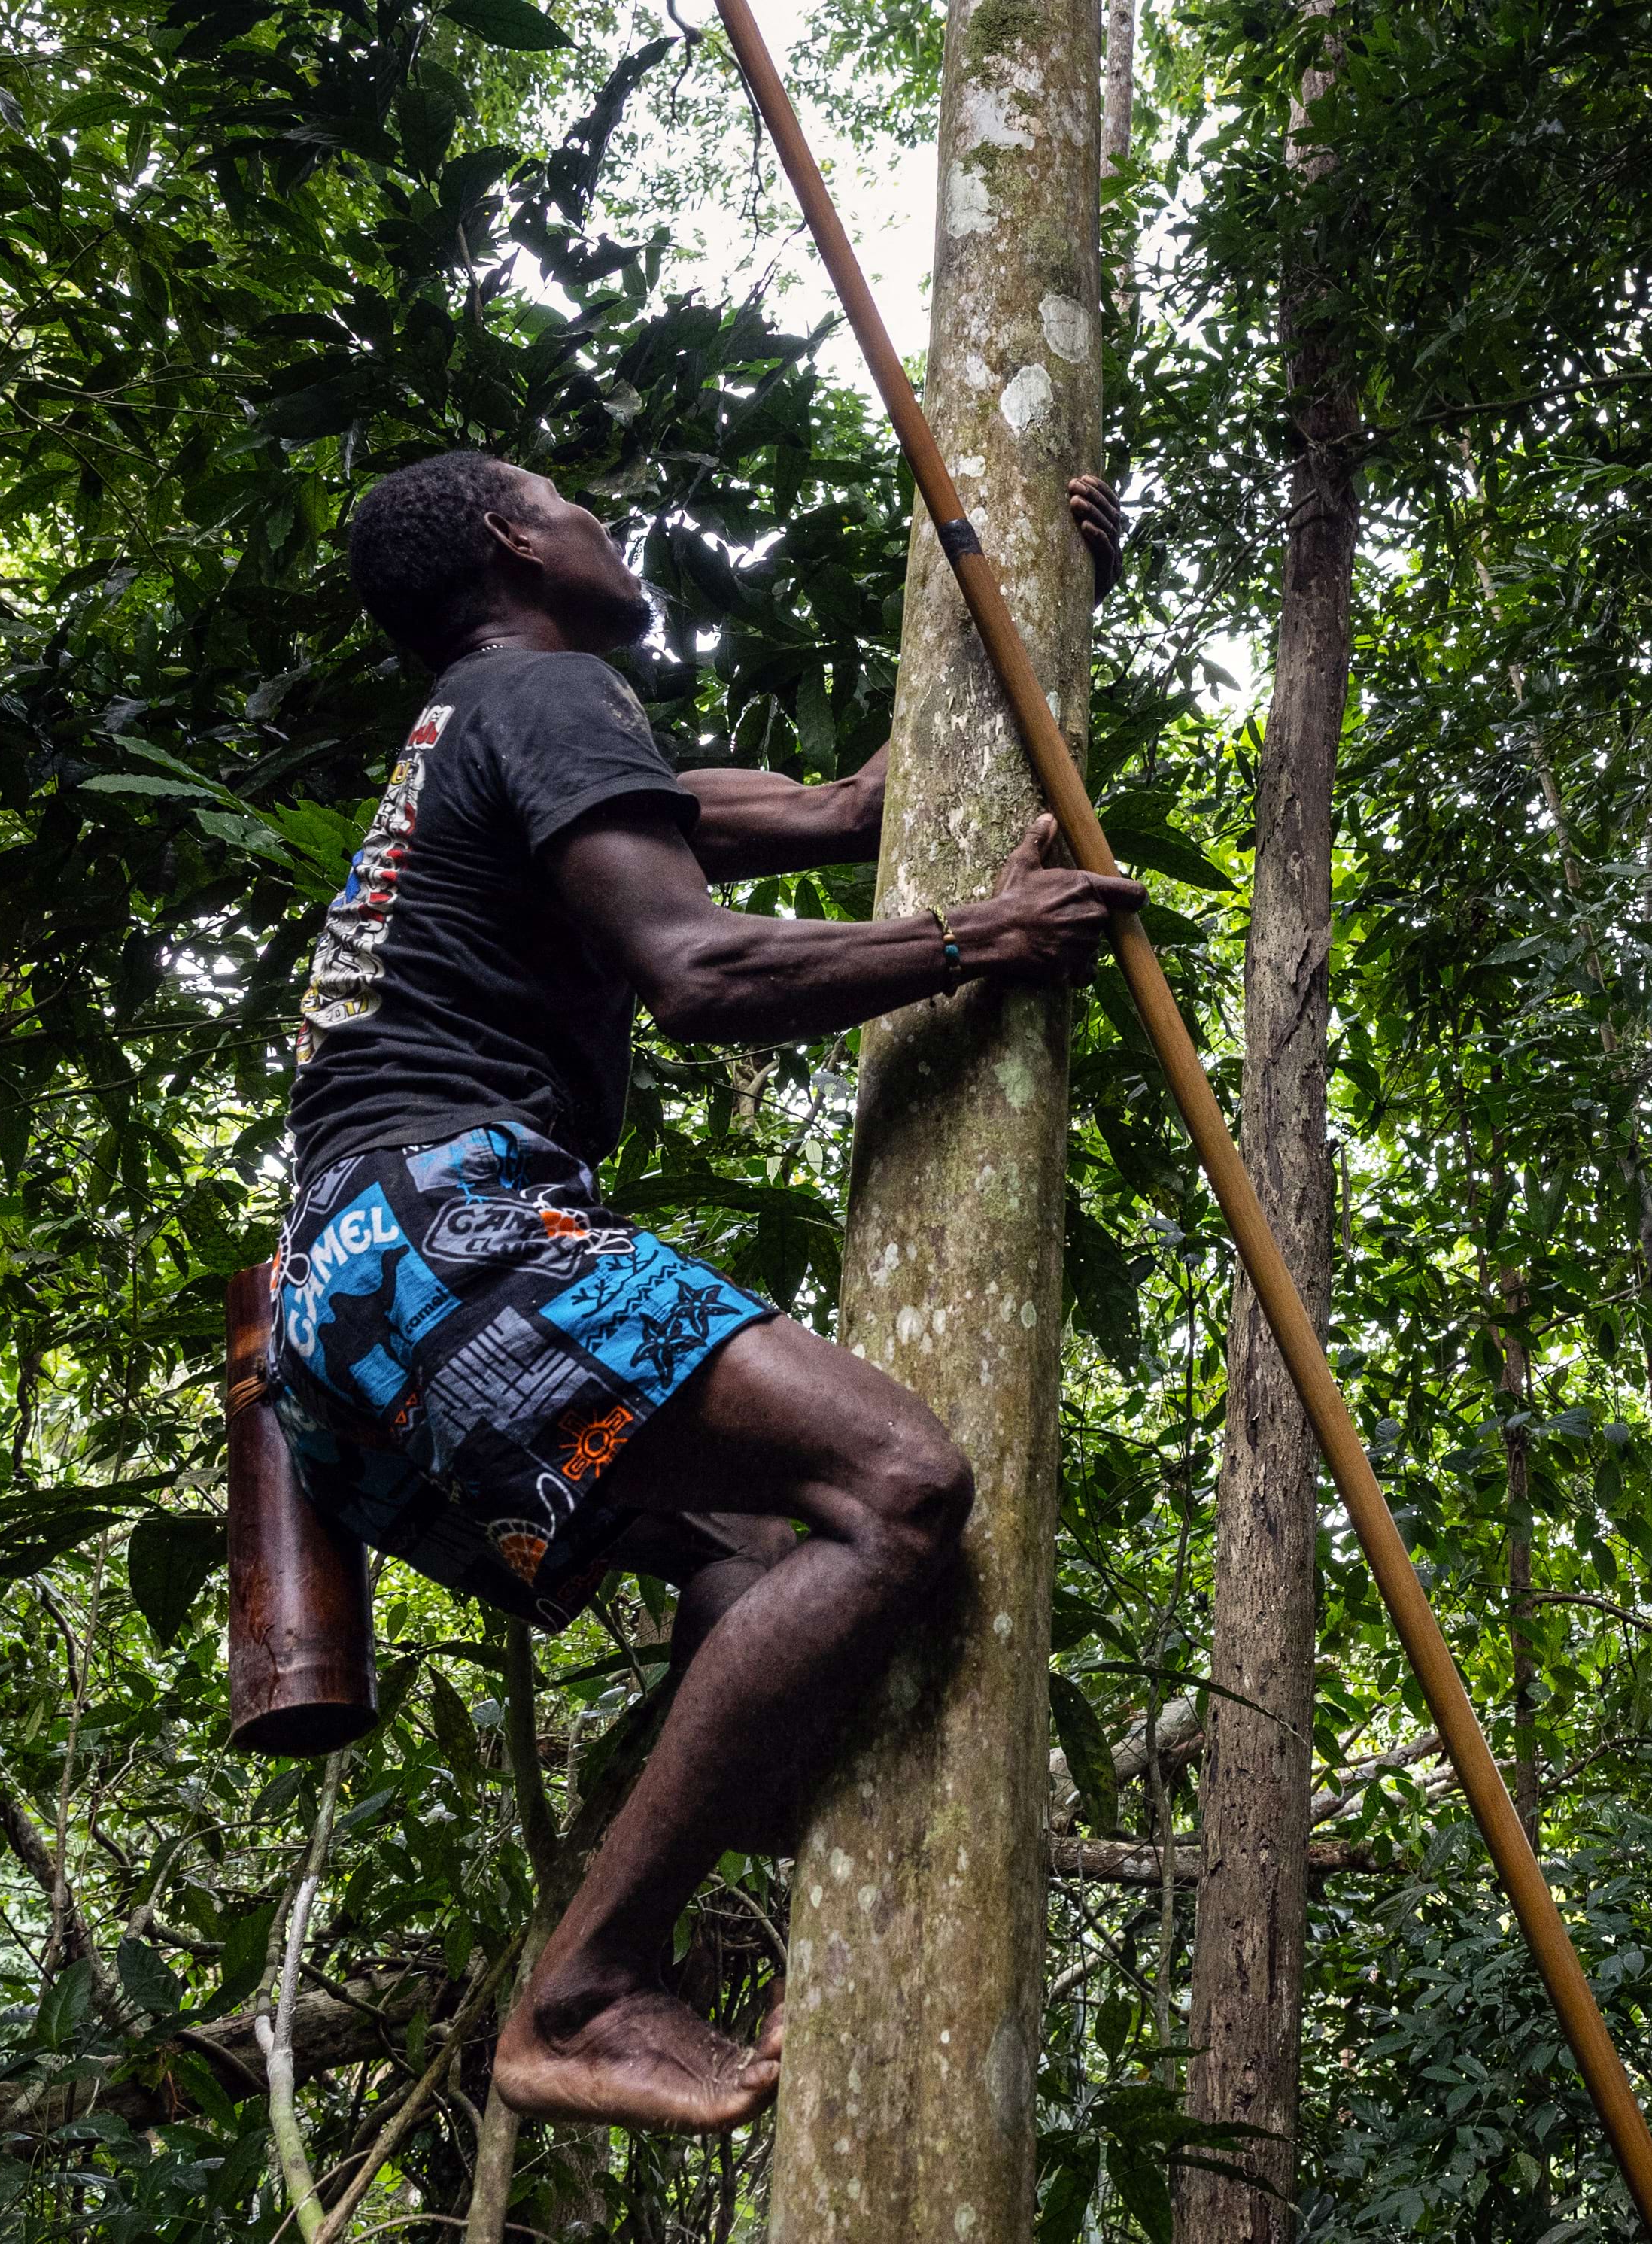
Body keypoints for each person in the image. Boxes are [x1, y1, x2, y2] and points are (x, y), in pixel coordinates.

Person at [270, 448, 1140, 2132]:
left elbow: (857, 809)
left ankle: (729, 1886)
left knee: (759, 1574)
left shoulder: (502, 741)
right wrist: (979, 940)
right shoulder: (543, 694)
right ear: (518, 543)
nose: (607, 530)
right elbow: (700, 970)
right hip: (445, 1234)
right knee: (899, 1484)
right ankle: (585, 1989)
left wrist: (1052, 594)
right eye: (576, 506)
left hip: (355, 1318)